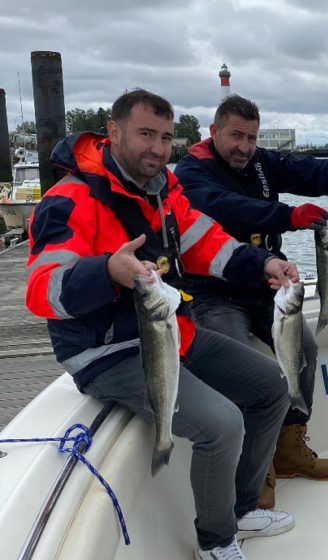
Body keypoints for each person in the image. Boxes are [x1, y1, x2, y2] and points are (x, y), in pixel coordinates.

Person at [25, 89, 300, 560]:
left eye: (166, 137)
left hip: (167, 330)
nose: (157, 147)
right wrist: (107, 271)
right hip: (106, 350)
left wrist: (263, 264)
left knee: (272, 384)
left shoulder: (163, 191)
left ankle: (239, 507)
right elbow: (41, 290)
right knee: (222, 424)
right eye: (145, 134)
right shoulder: (69, 199)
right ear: (113, 133)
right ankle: (215, 542)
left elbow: (205, 242)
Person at [175, 94, 328, 508]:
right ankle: (252, 471)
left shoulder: (259, 162)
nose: (244, 146)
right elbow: (224, 209)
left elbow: (309, 170)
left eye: (251, 138)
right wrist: (285, 216)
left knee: (304, 351)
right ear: (213, 132)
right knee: (237, 367)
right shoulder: (190, 173)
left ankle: (289, 448)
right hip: (214, 292)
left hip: (266, 286)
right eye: (235, 135)